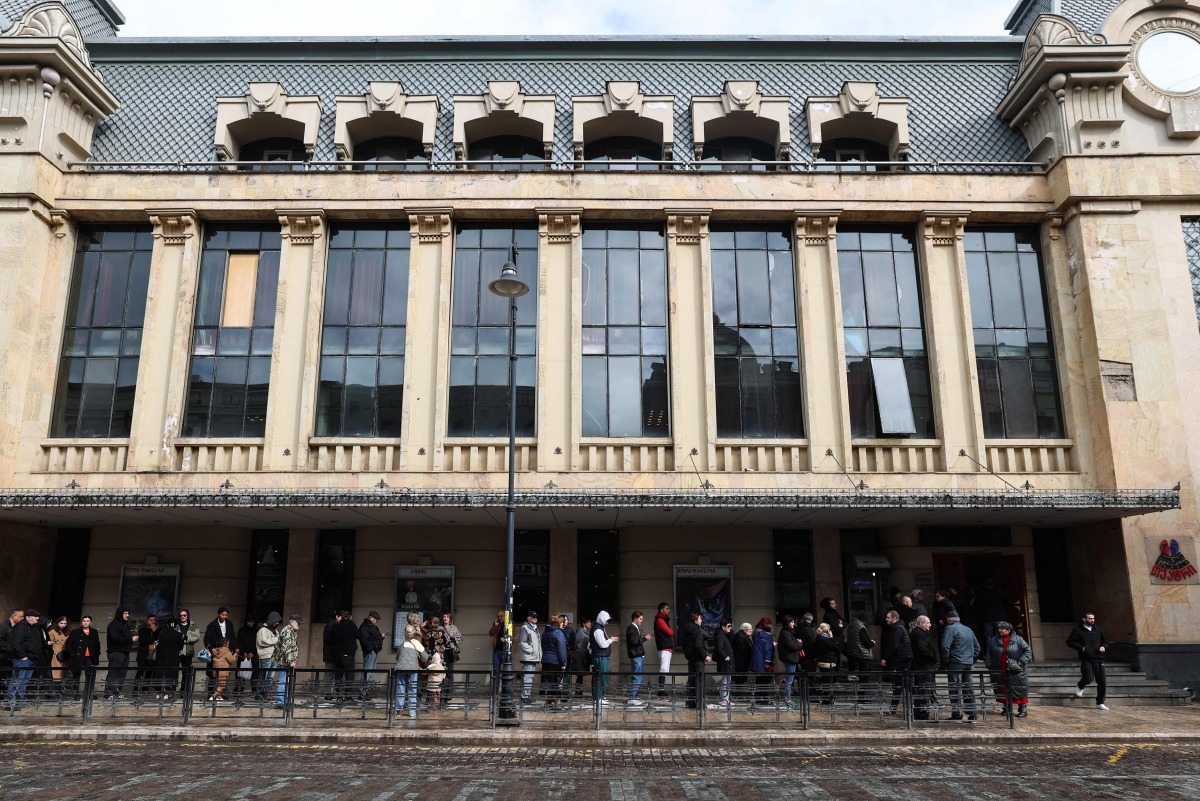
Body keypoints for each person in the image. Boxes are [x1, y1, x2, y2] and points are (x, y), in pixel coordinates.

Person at [987, 620, 1032, 718]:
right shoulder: (993, 640)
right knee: (1002, 689)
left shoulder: (1018, 639)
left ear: (1008, 630)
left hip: (1016, 670)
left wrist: (1020, 662)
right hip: (999, 669)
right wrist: (989, 665)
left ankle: (1022, 709)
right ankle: (1006, 708)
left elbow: (1028, 652)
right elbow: (988, 654)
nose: (1000, 630)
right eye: (999, 628)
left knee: (1019, 689)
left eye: (1002, 629)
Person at [941, 613, 981, 722]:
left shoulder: (950, 628)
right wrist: (971, 658)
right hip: (968, 662)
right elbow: (977, 647)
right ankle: (972, 713)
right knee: (968, 688)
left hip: (955, 662)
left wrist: (945, 661)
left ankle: (957, 714)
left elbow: (945, 646)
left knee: (955, 688)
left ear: (948, 619)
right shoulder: (968, 629)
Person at [1066, 612, 1109, 711]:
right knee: (1088, 678)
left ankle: (1100, 702)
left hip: (1099, 659)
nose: (1092, 620)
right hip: (1086, 659)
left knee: (1102, 682)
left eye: (1093, 618)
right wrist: (1082, 648)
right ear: (1084, 619)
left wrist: (1104, 647)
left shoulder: (1099, 630)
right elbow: (1070, 642)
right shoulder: (1078, 630)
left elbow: (1106, 642)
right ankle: (1080, 686)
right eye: (1090, 618)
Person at [7, 609, 44, 703]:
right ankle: (9, 700)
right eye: (35, 616)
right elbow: (16, 643)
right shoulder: (21, 627)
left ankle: (20, 699)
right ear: (28, 617)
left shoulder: (33, 627)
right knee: (17, 679)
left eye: (38, 616)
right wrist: (23, 656)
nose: (37, 618)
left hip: (32, 658)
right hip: (23, 659)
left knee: (24, 680)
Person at [880, 609, 912, 715]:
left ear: (894, 618)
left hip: (900, 660)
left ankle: (894, 708)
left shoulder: (897, 629)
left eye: (888, 617)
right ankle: (895, 708)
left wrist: (885, 658)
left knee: (899, 684)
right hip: (903, 658)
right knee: (903, 684)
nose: (886, 619)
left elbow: (893, 645)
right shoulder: (899, 627)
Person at [63, 614, 100, 699]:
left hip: (89, 657)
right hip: (77, 657)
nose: (85, 623)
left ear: (90, 622)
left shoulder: (94, 632)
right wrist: (72, 654)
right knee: (76, 675)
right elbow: (68, 645)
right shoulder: (75, 632)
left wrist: (97, 654)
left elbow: (97, 644)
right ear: (81, 622)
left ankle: (89, 694)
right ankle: (76, 694)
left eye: (87, 621)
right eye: (84, 621)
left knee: (90, 675)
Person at [679, 610, 710, 709]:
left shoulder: (686, 630)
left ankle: (690, 702)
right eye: (700, 619)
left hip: (690, 659)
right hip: (698, 660)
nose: (701, 621)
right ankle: (700, 704)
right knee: (700, 681)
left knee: (691, 681)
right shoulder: (697, 630)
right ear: (696, 620)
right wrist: (705, 656)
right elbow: (698, 645)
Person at [104, 607, 137, 699]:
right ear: (120, 614)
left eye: (128, 613)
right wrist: (130, 639)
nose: (127, 615)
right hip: (116, 652)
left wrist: (131, 640)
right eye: (125, 613)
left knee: (122, 673)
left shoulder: (125, 625)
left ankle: (117, 691)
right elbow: (115, 638)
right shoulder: (113, 625)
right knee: (113, 672)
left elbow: (125, 638)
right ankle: (109, 693)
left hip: (125, 652)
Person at [909, 615, 937, 721]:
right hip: (923, 666)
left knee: (921, 690)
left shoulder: (917, 633)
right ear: (921, 624)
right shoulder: (919, 634)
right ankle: (923, 713)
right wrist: (932, 657)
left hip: (920, 666)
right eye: (928, 622)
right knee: (924, 690)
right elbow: (922, 648)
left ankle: (919, 712)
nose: (930, 625)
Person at [205, 607, 237, 696]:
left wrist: (235, 647)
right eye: (222, 615)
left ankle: (221, 693)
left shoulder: (229, 624)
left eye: (226, 615)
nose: (224, 617)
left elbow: (233, 637)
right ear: (218, 614)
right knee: (213, 673)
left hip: (226, 651)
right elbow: (207, 639)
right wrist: (211, 648)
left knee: (224, 675)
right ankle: (211, 693)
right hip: (216, 652)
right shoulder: (211, 625)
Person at [395, 624, 424, 718]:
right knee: (412, 689)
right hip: (413, 669)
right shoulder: (417, 643)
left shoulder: (402, 644)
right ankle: (411, 712)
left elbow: (397, 657)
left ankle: (399, 711)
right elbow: (425, 657)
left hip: (401, 669)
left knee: (400, 688)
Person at [272, 614, 302, 708]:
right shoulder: (287, 631)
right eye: (298, 623)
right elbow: (287, 648)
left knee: (287, 681)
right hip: (284, 661)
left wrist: (293, 660)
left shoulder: (292, 631)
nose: (299, 625)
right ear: (292, 622)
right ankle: (280, 702)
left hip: (287, 661)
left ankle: (286, 701)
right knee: (282, 681)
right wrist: (291, 661)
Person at [775, 615, 803, 709]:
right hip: (790, 659)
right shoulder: (785, 633)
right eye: (791, 622)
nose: (793, 624)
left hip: (790, 659)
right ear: (787, 623)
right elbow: (793, 646)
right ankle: (788, 700)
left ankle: (788, 699)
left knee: (789, 680)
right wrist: (799, 643)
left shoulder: (788, 632)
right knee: (789, 680)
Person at [540, 614, 568, 709]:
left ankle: (548, 703)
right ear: (559, 623)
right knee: (555, 683)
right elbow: (561, 649)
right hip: (555, 661)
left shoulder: (546, 632)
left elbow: (543, 646)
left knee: (548, 682)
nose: (563, 625)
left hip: (546, 660)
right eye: (562, 623)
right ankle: (557, 704)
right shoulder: (558, 633)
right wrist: (563, 662)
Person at [329, 610, 358, 701]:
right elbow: (359, 635)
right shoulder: (351, 625)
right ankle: (348, 696)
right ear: (350, 617)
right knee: (349, 676)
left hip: (338, 654)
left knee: (338, 676)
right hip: (349, 654)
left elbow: (330, 639)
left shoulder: (337, 626)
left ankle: (339, 696)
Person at [591, 610, 618, 704]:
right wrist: (611, 640)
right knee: (601, 678)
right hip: (600, 656)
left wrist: (610, 640)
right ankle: (598, 698)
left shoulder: (599, 628)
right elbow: (602, 644)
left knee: (602, 677)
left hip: (601, 656)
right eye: (606, 620)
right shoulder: (598, 629)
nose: (607, 622)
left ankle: (601, 696)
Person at [154, 616, 182, 700]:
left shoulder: (162, 633)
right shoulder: (178, 635)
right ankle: (169, 693)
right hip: (173, 658)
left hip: (161, 658)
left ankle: (158, 693)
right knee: (172, 675)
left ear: (167, 625)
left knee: (159, 675)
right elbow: (180, 646)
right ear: (176, 625)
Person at [625, 610, 650, 704]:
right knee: (637, 676)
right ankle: (632, 697)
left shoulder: (635, 628)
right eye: (640, 619)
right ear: (635, 618)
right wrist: (645, 638)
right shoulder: (631, 628)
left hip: (639, 655)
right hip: (636, 655)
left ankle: (634, 695)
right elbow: (634, 642)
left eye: (642, 619)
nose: (641, 621)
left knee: (639, 676)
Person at [812, 623, 841, 705]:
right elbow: (835, 647)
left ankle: (826, 698)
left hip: (821, 662)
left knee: (824, 680)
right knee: (828, 682)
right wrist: (831, 637)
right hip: (828, 662)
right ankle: (828, 699)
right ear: (827, 630)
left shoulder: (818, 638)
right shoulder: (825, 638)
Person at [748, 617, 775, 707]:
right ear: (771, 629)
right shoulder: (768, 637)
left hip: (757, 662)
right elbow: (768, 650)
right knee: (765, 681)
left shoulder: (758, 635)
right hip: (764, 663)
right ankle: (764, 699)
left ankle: (758, 698)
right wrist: (767, 663)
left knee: (759, 680)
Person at [517, 610, 542, 703]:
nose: (536, 619)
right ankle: (524, 696)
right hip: (529, 656)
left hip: (533, 657)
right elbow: (522, 642)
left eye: (536, 617)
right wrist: (532, 650)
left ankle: (527, 695)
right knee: (527, 676)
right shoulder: (525, 628)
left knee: (530, 677)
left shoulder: (534, 628)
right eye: (533, 617)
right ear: (529, 618)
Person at [256, 611, 282, 701]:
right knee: (263, 675)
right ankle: (259, 694)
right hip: (265, 656)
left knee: (270, 677)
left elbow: (279, 641)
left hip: (274, 656)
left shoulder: (275, 631)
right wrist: (276, 640)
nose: (277, 623)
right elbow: (263, 641)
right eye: (276, 621)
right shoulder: (263, 630)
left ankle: (266, 693)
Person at [359, 611, 384, 697]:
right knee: (367, 672)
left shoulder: (371, 626)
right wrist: (371, 649)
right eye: (376, 619)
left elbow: (373, 638)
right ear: (371, 618)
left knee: (370, 672)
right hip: (370, 651)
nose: (377, 621)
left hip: (373, 651)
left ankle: (366, 691)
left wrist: (381, 637)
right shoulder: (365, 626)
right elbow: (364, 640)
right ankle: (363, 692)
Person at [440, 612, 462, 707]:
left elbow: (460, 638)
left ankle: (448, 694)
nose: (445, 618)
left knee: (449, 673)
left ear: (450, 619)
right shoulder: (440, 628)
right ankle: (441, 693)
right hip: (441, 652)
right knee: (440, 673)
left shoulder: (453, 628)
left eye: (447, 617)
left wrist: (453, 639)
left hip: (450, 652)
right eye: (444, 616)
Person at [134, 614, 159, 693]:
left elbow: (159, 639)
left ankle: (145, 689)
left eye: (154, 620)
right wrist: (153, 641)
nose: (152, 622)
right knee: (140, 671)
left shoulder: (158, 630)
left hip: (152, 655)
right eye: (150, 620)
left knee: (149, 672)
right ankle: (136, 688)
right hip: (143, 655)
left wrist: (155, 631)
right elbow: (143, 640)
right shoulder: (142, 630)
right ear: (147, 621)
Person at [175, 609, 201, 686]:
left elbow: (197, 637)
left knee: (186, 672)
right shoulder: (176, 626)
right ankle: (171, 691)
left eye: (184, 615)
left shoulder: (193, 626)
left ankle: (184, 691)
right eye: (181, 615)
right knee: (174, 671)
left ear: (187, 616)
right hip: (177, 651)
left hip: (188, 652)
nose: (182, 617)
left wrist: (188, 639)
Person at [712, 618, 735, 706]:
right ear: (723, 627)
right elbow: (719, 648)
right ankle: (724, 699)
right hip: (725, 663)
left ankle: (726, 698)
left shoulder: (724, 635)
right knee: (726, 680)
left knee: (727, 680)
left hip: (727, 662)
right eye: (728, 626)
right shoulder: (720, 636)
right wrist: (726, 657)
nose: (730, 628)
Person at [653, 602, 674, 698]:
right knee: (664, 669)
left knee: (664, 669)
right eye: (667, 609)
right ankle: (661, 691)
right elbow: (670, 632)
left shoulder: (662, 619)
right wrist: (672, 631)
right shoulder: (660, 620)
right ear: (661, 610)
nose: (668, 611)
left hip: (665, 648)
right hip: (664, 648)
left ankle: (661, 690)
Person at [234, 615, 258, 697]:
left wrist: (253, 652)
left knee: (254, 673)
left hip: (253, 655)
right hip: (243, 655)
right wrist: (243, 652)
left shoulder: (257, 630)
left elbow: (258, 643)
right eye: (249, 622)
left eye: (252, 622)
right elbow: (239, 642)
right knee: (241, 673)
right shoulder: (242, 630)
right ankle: (239, 689)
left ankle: (254, 689)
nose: (251, 624)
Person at [569, 617, 591, 699]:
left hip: (584, 656)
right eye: (588, 622)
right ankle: (578, 692)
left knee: (581, 675)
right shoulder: (580, 632)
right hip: (579, 656)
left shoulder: (586, 632)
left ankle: (579, 692)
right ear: (583, 624)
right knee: (580, 674)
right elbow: (575, 643)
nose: (590, 624)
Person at [208, 637, 237, 701]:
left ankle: (219, 697)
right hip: (223, 671)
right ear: (225, 644)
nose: (228, 645)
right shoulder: (227, 651)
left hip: (216, 671)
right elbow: (231, 660)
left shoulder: (216, 650)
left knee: (219, 684)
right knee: (222, 685)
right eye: (228, 644)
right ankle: (214, 696)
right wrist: (234, 656)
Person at [47, 616, 70, 692]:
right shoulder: (52, 631)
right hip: (56, 654)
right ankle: (53, 692)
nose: (63, 625)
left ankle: (59, 691)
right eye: (61, 623)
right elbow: (48, 643)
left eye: (65, 623)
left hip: (64, 654)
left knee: (62, 673)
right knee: (55, 673)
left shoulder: (67, 632)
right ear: (57, 623)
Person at [732, 621, 753, 699]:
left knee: (740, 678)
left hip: (742, 661)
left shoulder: (743, 636)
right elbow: (744, 649)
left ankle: (739, 694)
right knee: (739, 678)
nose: (751, 630)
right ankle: (738, 694)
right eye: (750, 629)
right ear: (745, 629)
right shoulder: (740, 636)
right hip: (740, 662)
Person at [488, 610, 507, 675]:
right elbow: (490, 634)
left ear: (505, 616)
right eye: (498, 616)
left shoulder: (510, 624)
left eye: (501, 616)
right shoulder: (497, 624)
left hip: (505, 651)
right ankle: (496, 685)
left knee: (506, 672)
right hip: (496, 651)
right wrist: (495, 625)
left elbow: (513, 637)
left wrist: (506, 640)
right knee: (496, 673)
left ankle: (505, 685)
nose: (499, 618)